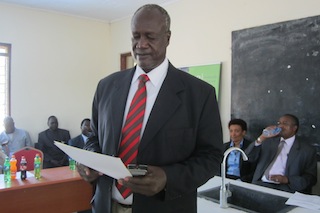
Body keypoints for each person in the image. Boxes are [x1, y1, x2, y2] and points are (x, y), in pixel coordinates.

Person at [77, 4, 223, 213]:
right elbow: (94, 137)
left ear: (167, 38)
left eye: (150, 37)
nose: (141, 44)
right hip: (105, 206)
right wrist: (90, 160)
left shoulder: (199, 94)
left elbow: (211, 157)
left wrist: (168, 178)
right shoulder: (107, 86)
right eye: (135, 36)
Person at [243, 114, 317, 194]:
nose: (280, 126)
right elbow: (248, 157)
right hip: (261, 184)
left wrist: (287, 179)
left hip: (286, 189)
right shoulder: (268, 141)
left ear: (294, 128)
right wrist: (261, 138)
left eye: (285, 123)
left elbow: (311, 178)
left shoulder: (307, 150)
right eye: (279, 123)